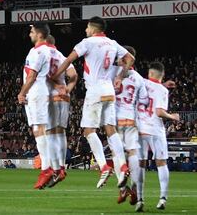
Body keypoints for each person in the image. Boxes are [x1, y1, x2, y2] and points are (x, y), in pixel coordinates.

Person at [54, 16, 135, 189]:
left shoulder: (88, 42)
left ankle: (104, 166)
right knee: (110, 129)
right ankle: (122, 165)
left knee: (89, 130)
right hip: (109, 90)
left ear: (93, 28)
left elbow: (68, 60)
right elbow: (130, 59)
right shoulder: (112, 43)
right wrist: (120, 76)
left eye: (87, 28)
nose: (85, 30)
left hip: (96, 89)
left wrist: (54, 76)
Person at [137, 61, 180, 212]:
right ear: (162, 75)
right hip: (155, 129)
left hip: (139, 128)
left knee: (140, 164)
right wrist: (173, 117)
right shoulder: (162, 91)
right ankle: (162, 198)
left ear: (150, 73)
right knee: (161, 163)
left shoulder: (140, 82)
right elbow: (160, 112)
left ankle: (140, 199)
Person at [17, 22, 55, 189]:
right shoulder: (47, 50)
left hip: (36, 93)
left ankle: (47, 168)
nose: (29, 34)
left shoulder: (39, 51)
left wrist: (22, 92)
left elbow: (31, 76)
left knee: (39, 130)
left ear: (39, 34)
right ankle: (50, 166)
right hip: (40, 93)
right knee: (39, 130)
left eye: (31, 31)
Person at [113, 46, 146, 206]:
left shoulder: (113, 73)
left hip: (115, 119)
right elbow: (145, 101)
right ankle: (134, 187)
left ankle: (123, 189)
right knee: (133, 153)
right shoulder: (138, 78)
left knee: (116, 153)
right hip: (131, 119)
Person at [45, 34, 76, 187]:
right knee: (61, 132)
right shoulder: (62, 57)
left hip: (50, 97)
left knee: (50, 132)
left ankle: (56, 169)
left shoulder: (42, 54)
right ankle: (62, 166)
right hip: (64, 98)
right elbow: (74, 75)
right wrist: (67, 89)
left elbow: (42, 76)